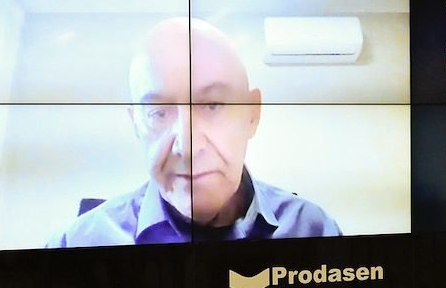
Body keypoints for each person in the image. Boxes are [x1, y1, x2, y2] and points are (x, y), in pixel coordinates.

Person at [47, 17, 341, 247]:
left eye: (213, 105)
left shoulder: (314, 231)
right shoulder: (75, 245)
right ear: (136, 123)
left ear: (252, 114)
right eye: (159, 113)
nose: (187, 147)